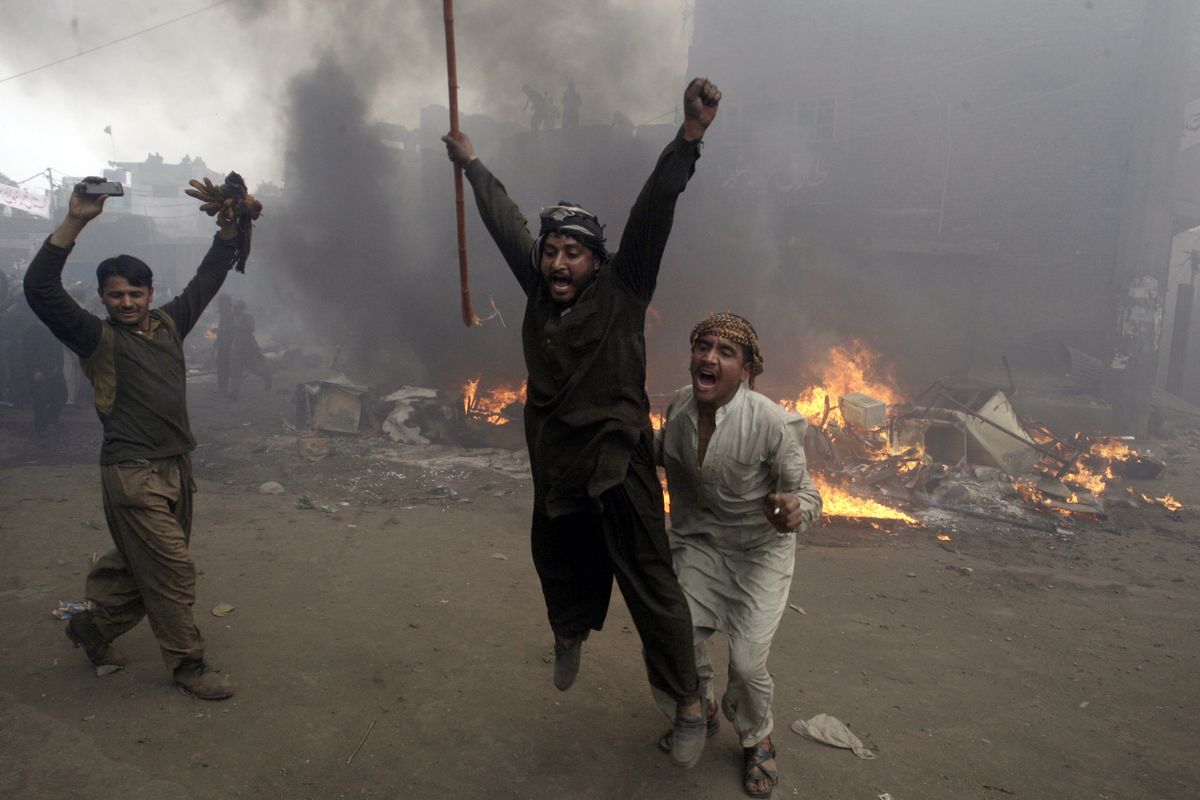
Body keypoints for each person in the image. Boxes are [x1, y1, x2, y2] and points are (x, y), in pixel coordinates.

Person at [442, 77, 722, 768]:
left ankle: (686, 701)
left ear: (595, 260)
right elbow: (506, 220)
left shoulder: (625, 292)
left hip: (619, 460)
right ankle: (569, 634)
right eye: (552, 251)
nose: (559, 262)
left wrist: (689, 139)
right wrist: (473, 165)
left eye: (573, 252)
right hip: (556, 459)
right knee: (557, 562)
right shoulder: (538, 291)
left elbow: (657, 208)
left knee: (652, 583)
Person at [24, 176, 246, 700]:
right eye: (115, 295)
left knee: (138, 566)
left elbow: (209, 277)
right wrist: (75, 220)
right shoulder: (95, 337)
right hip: (131, 471)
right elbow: (41, 291)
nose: (126, 303)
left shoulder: (170, 322)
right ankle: (189, 665)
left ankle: (92, 627)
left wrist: (230, 228)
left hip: (177, 466)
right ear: (102, 298)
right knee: (172, 570)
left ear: (149, 294)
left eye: (135, 293)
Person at [653, 312, 822, 798]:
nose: (709, 358)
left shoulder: (770, 422)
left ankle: (757, 735)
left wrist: (794, 509)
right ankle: (699, 704)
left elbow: (807, 494)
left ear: (746, 368)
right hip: (699, 546)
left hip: (758, 555)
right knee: (671, 633)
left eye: (726, 352)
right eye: (703, 346)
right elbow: (665, 453)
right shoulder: (680, 407)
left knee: (747, 665)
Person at [227, 300, 271, 399]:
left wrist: (237, 326)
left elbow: (250, 329)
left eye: (236, 307)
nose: (233, 309)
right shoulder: (235, 317)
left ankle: (266, 375)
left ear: (241, 308)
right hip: (236, 346)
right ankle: (233, 391)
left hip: (247, 346)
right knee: (235, 370)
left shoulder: (248, 316)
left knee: (253, 368)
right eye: (233, 307)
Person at [214, 294, 233, 394]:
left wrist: (219, 330)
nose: (220, 305)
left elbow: (231, 328)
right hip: (222, 342)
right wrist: (217, 340)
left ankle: (225, 386)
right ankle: (222, 386)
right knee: (221, 363)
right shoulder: (223, 313)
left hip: (228, 343)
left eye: (221, 302)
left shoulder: (231, 314)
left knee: (225, 364)